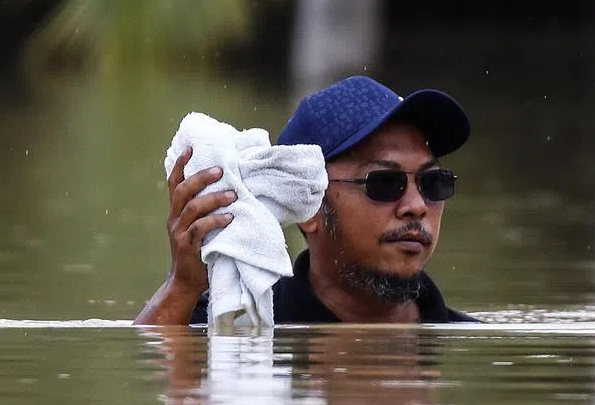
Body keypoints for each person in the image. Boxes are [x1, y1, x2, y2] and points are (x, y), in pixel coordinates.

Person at [134, 75, 479, 325]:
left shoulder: (469, 342)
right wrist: (182, 285)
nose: (416, 205)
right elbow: (147, 377)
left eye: (433, 182)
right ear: (307, 206)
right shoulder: (230, 327)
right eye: (384, 183)